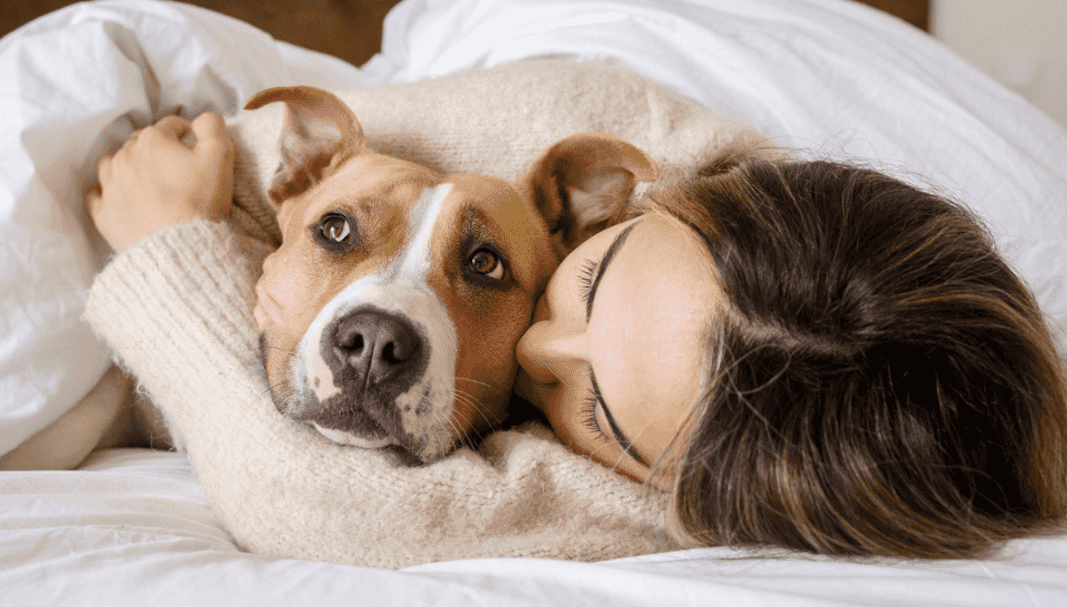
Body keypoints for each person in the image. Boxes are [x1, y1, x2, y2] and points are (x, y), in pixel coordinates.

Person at [85, 110, 1067, 567]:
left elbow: (308, 506)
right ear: (615, 212)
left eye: (592, 406)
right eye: (585, 281)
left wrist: (173, 249)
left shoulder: (687, 490)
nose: (534, 356)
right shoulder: (642, 159)